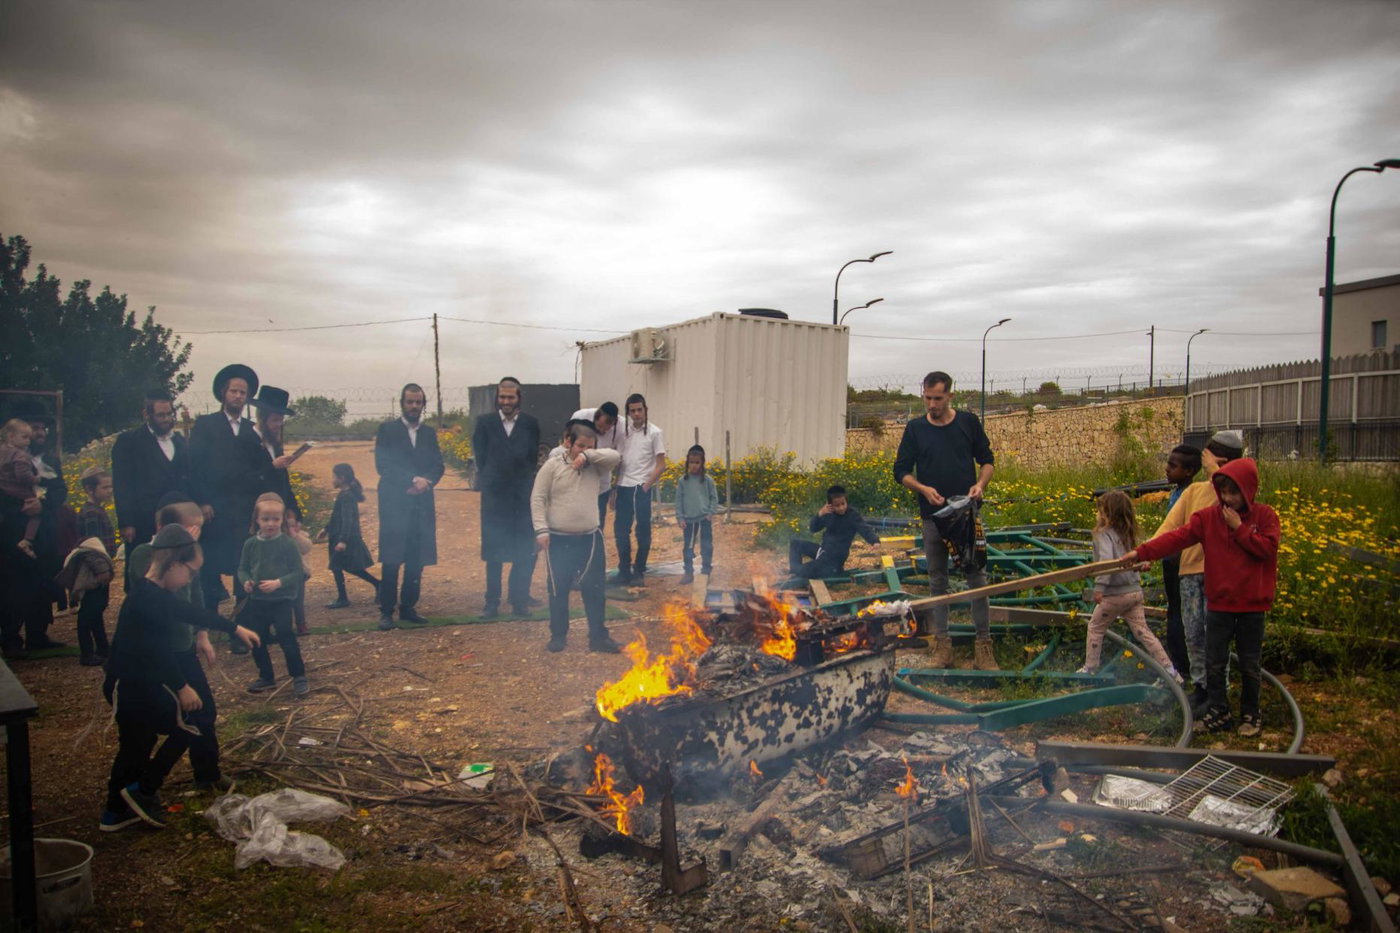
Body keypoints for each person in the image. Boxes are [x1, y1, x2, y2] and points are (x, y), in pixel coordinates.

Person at [101, 525, 260, 831]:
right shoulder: (147, 598)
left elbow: (190, 612)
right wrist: (182, 686)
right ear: (173, 564)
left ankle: (131, 799)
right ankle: (127, 802)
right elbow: (157, 651)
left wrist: (233, 628)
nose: (190, 578)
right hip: (129, 685)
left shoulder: (155, 594)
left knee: (181, 727)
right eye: (190, 571)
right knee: (144, 742)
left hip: (143, 683)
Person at [1126, 458, 1280, 736]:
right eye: (1224, 492)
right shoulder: (1208, 518)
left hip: (1251, 606)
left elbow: (1267, 550)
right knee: (1215, 662)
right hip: (1219, 603)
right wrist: (1142, 552)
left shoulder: (1265, 517)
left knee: (1249, 662)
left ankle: (1251, 713)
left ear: (1249, 491)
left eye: (1235, 493)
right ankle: (1219, 712)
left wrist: (1239, 528)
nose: (1228, 499)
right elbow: (1177, 537)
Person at [893, 371, 998, 670]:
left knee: (976, 578)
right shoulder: (915, 429)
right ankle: (943, 646)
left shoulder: (967, 422)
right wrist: (923, 489)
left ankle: (983, 646)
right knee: (937, 580)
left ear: (950, 395)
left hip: (966, 514)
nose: (932, 404)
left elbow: (987, 461)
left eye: (938, 398)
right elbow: (900, 471)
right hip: (932, 517)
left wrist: (980, 486)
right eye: (927, 398)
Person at [126, 498, 231, 792]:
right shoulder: (144, 555)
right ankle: (141, 785)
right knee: (162, 722)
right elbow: (160, 596)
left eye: (196, 530)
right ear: (163, 530)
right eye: (188, 530)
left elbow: (196, 598)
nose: (193, 537)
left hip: (185, 647)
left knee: (204, 711)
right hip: (161, 653)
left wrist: (202, 635)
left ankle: (207, 773)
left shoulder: (189, 558)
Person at [1151, 430, 1242, 714]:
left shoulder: (1234, 491)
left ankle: (1218, 693)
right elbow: (1170, 526)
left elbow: (1228, 500)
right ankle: (1201, 688)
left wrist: (1217, 470)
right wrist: (1146, 553)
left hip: (1220, 573)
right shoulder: (1193, 492)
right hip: (1190, 573)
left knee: (1214, 634)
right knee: (1193, 633)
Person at [531, 420, 623, 653]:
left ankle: (598, 638)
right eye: (580, 445)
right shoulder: (552, 466)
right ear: (568, 442)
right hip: (558, 538)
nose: (584, 450)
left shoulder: (596, 465)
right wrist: (541, 530)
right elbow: (537, 498)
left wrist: (589, 456)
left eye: (590, 446)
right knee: (558, 589)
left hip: (590, 538)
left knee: (595, 589)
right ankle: (558, 636)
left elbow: (615, 457)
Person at [188, 364, 269, 617]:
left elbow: (259, 469)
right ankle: (209, 622)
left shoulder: (252, 430)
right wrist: (202, 501)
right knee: (210, 567)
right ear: (223, 393)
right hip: (214, 509)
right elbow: (194, 466)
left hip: (243, 510)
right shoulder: (206, 425)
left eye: (243, 393)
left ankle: (239, 626)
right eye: (234, 391)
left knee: (242, 567)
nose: (238, 396)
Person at [1075, 491, 1181, 680]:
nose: (1097, 514)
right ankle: (1170, 671)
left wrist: (1099, 588)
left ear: (1107, 514)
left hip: (1115, 595)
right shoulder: (1128, 533)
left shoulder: (1103, 534)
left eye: (1100, 511)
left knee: (1095, 627)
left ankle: (1090, 669)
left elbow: (1106, 562)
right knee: (1143, 632)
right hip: (1134, 593)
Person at [374, 383, 444, 630]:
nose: (414, 407)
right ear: (402, 403)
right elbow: (383, 465)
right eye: (409, 402)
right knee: (393, 559)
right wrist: (412, 479)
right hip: (395, 503)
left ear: (424, 405)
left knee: (417, 558)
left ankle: (408, 607)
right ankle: (386, 610)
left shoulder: (428, 433)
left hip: (421, 503)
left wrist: (427, 481)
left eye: (418, 402)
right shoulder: (387, 430)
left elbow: (438, 464)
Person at [472, 377, 542, 618]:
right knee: (494, 553)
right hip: (494, 498)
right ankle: (491, 603)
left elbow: (532, 459)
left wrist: (520, 482)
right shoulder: (485, 423)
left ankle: (519, 602)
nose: (506, 401)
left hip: (522, 497)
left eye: (511, 397)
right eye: (502, 397)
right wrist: (495, 479)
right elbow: (481, 459)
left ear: (518, 399)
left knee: (523, 551)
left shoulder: (531, 424)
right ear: (497, 399)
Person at [249, 386, 308, 632]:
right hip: (261, 517)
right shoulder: (249, 441)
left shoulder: (276, 443)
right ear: (262, 417)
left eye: (281, 420)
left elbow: (284, 482)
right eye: (274, 419)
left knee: (295, 567)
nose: (278, 424)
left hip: (282, 515)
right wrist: (271, 466)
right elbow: (244, 480)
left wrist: (294, 512)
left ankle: (297, 618)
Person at [239, 493, 309, 696]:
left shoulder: (287, 543)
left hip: (282, 600)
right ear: (257, 520)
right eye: (266, 519)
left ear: (282, 520)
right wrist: (247, 581)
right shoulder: (250, 544)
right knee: (257, 639)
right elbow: (243, 568)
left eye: (276, 519)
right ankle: (266, 676)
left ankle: (298, 675)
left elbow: (298, 572)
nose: (271, 524)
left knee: (286, 636)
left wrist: (279, 583)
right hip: (258, 600)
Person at [111, 389, 191, 557]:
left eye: (170, 414)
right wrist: (127, 523)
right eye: (161, 415)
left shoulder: (180, 442)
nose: (167, 419)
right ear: (146, 414)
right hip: (143, 522)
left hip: (175, 521)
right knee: (143, 570)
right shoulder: (129, 442)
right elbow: (122, 484)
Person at [1158, 445, 1202, 685]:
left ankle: (1181, 668)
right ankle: (1178, 664)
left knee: (1180, 614)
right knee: (1174, 611)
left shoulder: (1191, 495)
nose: (1167, 469)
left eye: (1173, 466)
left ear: (1189, 471)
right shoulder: (1177, 491)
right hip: (1170, 559)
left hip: (1179, 563)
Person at [612, 394, 665, 586]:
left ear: (645, 410)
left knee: (642, 531)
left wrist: (647, 484)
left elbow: (661, 464)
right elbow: (618, 462)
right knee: (620, 530)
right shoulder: (622, 433)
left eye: (639, 410)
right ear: (628, 412)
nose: (636, 414)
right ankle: (624, 571)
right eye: (632, 411)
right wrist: (614, 489)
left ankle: (639, 571)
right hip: (623, 486)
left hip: (640, 487)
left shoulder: (655, 432)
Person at [318, 463, 380, 609]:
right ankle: (376, 584)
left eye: (334, 477)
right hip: (338, 536)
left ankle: (344, 598)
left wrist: (343, 540)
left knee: (340, 567)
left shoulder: (347, 496)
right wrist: (326, 529)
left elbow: (348, 520)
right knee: (344, 567)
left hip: (344, 538)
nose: (332, 480)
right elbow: (336, 516)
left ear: (342, 478)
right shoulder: (344, 494)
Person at [73, 467, 117, 665]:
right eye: (105, 487)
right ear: (90, 489)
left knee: (98, 607)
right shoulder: (90, 513)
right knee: (89, 610)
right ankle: (87, 652)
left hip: (103, 566)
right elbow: (91, 544)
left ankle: (102, 647)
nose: (109, 491)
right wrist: (101, 569)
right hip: (96, 568)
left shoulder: (97, 510)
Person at [569, 402, 621, 527]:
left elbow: (618, 458)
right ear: (596, 416)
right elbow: (568, 444)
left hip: (600, 486)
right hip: (577, 483)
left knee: (597, 526)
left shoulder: (621, 427)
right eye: (601, 427)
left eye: (608, 429)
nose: (603, 431)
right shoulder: (580, 416)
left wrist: (615, 488)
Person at [676, 444, 720, 585]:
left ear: (702, 463)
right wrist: (680, 517)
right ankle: (688, 572)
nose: (694, 466)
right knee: (688, 547)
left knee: (706, 545)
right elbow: (678, 501)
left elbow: (714, 497)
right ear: (687, 463)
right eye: (691, 462)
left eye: (697, 462)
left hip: (704, 518)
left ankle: (706, 571)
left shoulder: (708, 481)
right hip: (689, 520)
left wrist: (711, 512)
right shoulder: (683, 481)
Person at [0, 418, 41, 557]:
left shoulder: (2, 450)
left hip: (4, 488)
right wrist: (37, 479)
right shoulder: (20, 455)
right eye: (24, 437)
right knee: (36, 513)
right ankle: (27, 540)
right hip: (19, 491)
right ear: (11, 436)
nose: (28, 441)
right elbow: (23, 476)